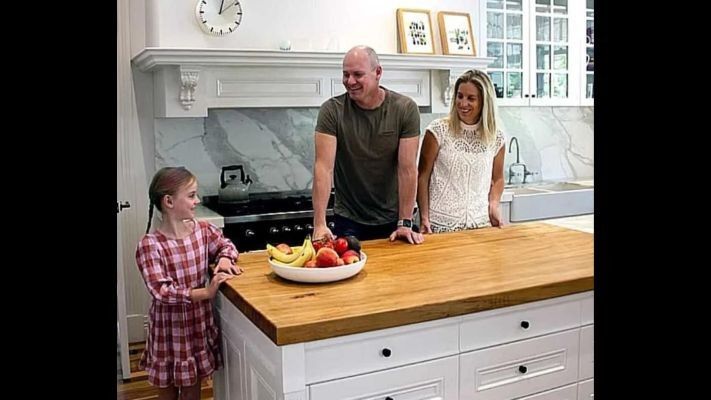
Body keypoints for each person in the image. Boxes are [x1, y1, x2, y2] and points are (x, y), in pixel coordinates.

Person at [135, 166, 243, 400]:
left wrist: (224, 259)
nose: (198, 200)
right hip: (168, 331)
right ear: (169, 201)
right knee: (168, 392)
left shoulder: (202, 231)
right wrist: (207, 292)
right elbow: (161, 292)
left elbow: (227, 245)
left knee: (193, 389)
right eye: (192, 195)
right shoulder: (150, 245)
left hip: (197, 325)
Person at [312, 45, 424, 244]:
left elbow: (407, 169)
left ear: (378, 72)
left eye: (358, 74)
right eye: (345, 74)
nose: (350, 81)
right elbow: (323, 168)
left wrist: (405, 222)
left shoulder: (405, 109)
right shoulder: (332, 111)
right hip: (349, 219)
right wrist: (319, 223)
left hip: (394, 218)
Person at [417, 69, 506, 233]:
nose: (463, 103)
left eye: (471, 98)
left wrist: (494, 204)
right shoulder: (438, 130)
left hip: (480, 225)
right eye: (459, 96)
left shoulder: (496, 138)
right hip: (439, 226)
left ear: (484, 102)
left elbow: (498, 178)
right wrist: (424, 218)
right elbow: (422, 176)